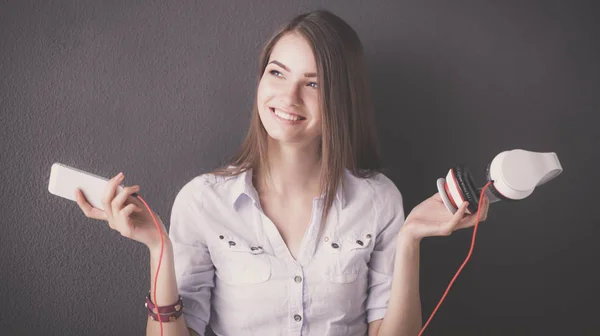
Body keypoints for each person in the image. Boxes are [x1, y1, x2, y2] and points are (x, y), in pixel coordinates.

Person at [75, 9, 489, 336]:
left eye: (313, 84)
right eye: (277, 72)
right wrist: (157, 247)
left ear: (341, 100)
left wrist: (410, 239)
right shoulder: (203, 201)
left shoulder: (379, 200)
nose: (287, 97)